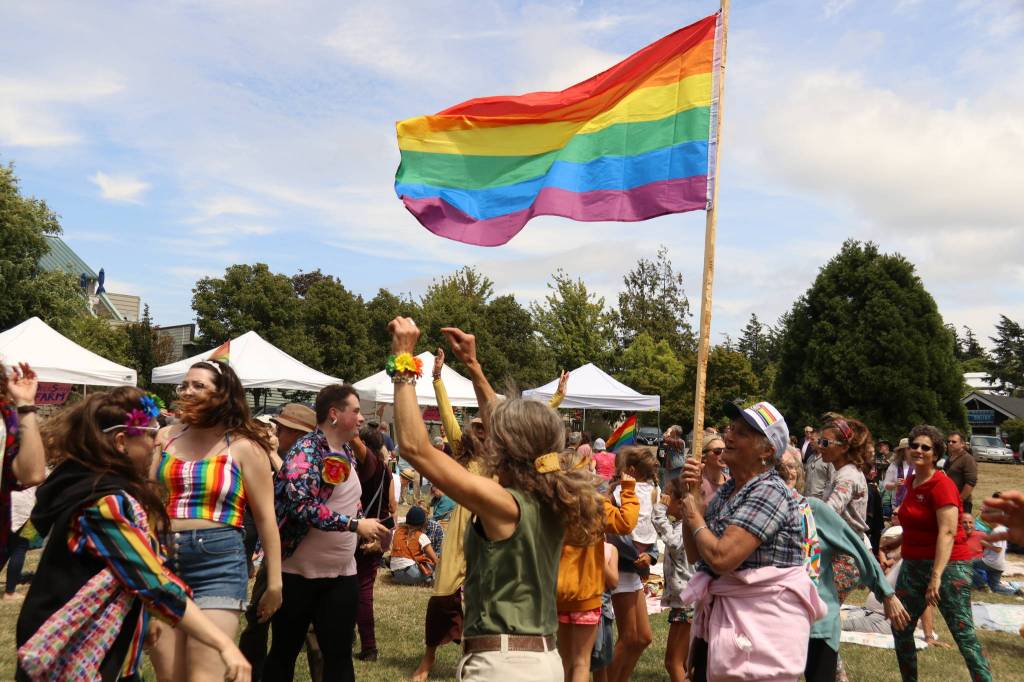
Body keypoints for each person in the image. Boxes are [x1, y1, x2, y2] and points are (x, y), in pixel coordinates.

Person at [389, 318, 603, 681]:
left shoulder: (506, 505)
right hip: (541, 662)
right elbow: (504, 425)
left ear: (503, 446)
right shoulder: (550, 493)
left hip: (504, 666)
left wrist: (404, 360)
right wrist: (473, 367)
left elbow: (414, 447)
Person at [15, 388, 251, 682]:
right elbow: (152, 582)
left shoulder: (95, 485)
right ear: (121, 442)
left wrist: (142, 616)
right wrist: (224, 643)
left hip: (101, 655)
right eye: (151, 434)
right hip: (72, 660)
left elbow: (119, 576)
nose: (157, 442)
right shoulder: (103, 504)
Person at [150, 359, 282, 682]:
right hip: (161, 561)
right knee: (170, 676)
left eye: (199, 385)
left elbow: (266, 519)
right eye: (185, 385)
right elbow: (149, 501)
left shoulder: (244, 447)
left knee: (204, 676)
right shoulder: (164, 437)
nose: (187, 391)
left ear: (223, 394)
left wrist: (275, 582)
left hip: (218, 565)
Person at [679, 401, 826, 681]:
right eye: (731, 429)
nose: (729, 437)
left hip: (757, 640)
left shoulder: (769, 491)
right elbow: (698, 556)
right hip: (728, 629)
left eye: (743, 433)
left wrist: (696, 518)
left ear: (768, 450)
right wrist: (693, 500)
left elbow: (722, 558)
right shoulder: (729, 492)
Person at [262, 384, 388, 682]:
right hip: (299, 576)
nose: (361, 418)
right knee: (283, 654)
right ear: (334, 414)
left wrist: (364, 529)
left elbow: (347, 499)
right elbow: (301, 506)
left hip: (341, 575)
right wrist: (356, 525)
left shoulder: (345, 450)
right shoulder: (306, 451)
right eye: (355, 411)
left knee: (339, 657)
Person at [892, 425, 992, 682]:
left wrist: (936, 576)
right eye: (914, 445)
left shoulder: (942, 485)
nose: (918, 450)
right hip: (913, 565)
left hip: (948, 566)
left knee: (963, 634)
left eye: (926, 447)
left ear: (935, 454)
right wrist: (895, 546)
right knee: (900, 626)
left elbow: (947, 532)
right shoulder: (912, 482)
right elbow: (919, 524)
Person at [238, 403, 319, 679]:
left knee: (311, 630)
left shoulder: (310, 459)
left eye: (281, 428)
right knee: (258, 616)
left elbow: (298, 486)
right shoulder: (266, 457)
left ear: (297, 434)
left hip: (306, 556)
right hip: (276, 554)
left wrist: (272, 453)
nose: (275, 431)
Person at [556, 452, 638, 682]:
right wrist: (628, 489)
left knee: (565, 660)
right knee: (582, 661)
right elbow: (625, 522)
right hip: (588, 594)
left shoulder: (555, 505)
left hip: (560, 593)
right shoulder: (595, 505)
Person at [607, 446, 660, 682]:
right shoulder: (616, 494)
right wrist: (636, 559)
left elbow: (649, 527)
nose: (648, 480)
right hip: (622, 568)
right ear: (631, 471)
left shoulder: (647, 492)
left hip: (636, 569)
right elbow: (619, 531)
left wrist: (651, 555)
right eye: (645, 475)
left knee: (644, 637)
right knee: (629, 637)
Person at [817, 413, 872, 604]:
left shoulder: (847, 477)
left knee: (824, 610)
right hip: (840, 551)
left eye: (825, 443)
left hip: (845, 556)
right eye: (819, 441)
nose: (819, 447)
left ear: (844, 447)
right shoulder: (841, 471)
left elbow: (828, 511)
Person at [353, 426, 397, 663]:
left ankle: (369, 646)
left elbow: (356, 443)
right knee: (359, 589)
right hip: (375, 534)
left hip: (359, 534)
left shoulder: (369, 464)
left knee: (359, 591)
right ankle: (362, 643)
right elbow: (392, 506)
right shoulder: (386, 471)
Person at [1, 362, 47, 578]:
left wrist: (26, 404)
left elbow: (33, 475)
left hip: (17, 516)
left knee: (19, 546)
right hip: (20, 513)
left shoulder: (5, 419)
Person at [653, 477, 695, 682]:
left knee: (673, 662)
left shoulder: (684, 526)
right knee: (686, 664)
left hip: (687, 602)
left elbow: (673, 543)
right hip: (687, 600)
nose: (663, 499)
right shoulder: (682, 524)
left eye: (667, 496)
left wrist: (659, 511)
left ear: (680, 502)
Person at [390, 505, 437, 586]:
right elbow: (435, 560)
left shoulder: (397, 531)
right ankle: (427, 580)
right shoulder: (421, 536)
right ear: (423, 522)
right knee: (431, 563)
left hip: (396, 574)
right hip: (412, 574)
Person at [943, 431, 978, 514]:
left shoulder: (967, 459)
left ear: (962, 444)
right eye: (948, 441)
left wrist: (960, 500)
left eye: (954, 442)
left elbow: (971, 482)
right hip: (949, 499)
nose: (950, 443)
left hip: (962, 502)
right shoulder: (950, 457)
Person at [883, 438, 913, 517]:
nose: (913, 450)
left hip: (913, 506)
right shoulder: (894, 466)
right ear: (903, 451)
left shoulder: (918, 465)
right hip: (897, 507)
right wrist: (895, 484)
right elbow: (885, 485)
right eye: (909, 448)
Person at [698, 433, 728, 503]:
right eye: (718, 451)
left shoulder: (731, 482)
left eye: (725, 450)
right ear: (704, 457)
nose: (723, 454)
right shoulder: (696, 483)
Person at [803, 427, 831, 500]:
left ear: (820, 441)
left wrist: (824, 501)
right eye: (809, 440)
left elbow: (830, 483)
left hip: (820, 501)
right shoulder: (810, 458)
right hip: (807, 499)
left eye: (812, 439)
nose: (810, 442)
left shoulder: (829, 460)